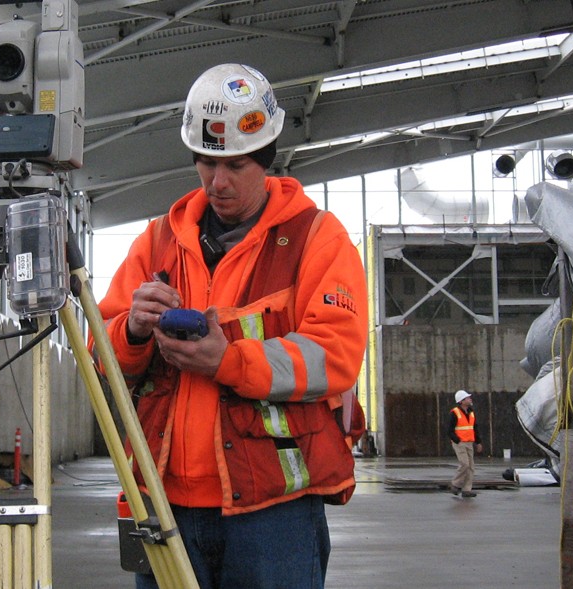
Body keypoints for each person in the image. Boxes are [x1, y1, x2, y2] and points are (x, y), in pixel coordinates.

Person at [97, 63, 369, 589]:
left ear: (266, 159)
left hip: (274, 511)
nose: (216, 181)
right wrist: (131, 330)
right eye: (204, 162)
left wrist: (228, 361)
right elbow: (99, 352)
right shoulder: (157, 242)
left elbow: (335, 355)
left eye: (235, 165)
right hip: (166, 501)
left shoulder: (318, 239)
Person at [447, 389, 483, 498]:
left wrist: (478, 442)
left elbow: (474, 428)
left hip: (469, 442)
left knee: (471, 466)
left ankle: (466, 489)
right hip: (460, 443)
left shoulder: (471, 412)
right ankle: (455, 484)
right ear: (462, 401)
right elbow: (449, 430)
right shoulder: (454, 413)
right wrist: (457, 440)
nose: (470, 399)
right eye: (467, 398)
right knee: (465, 464)